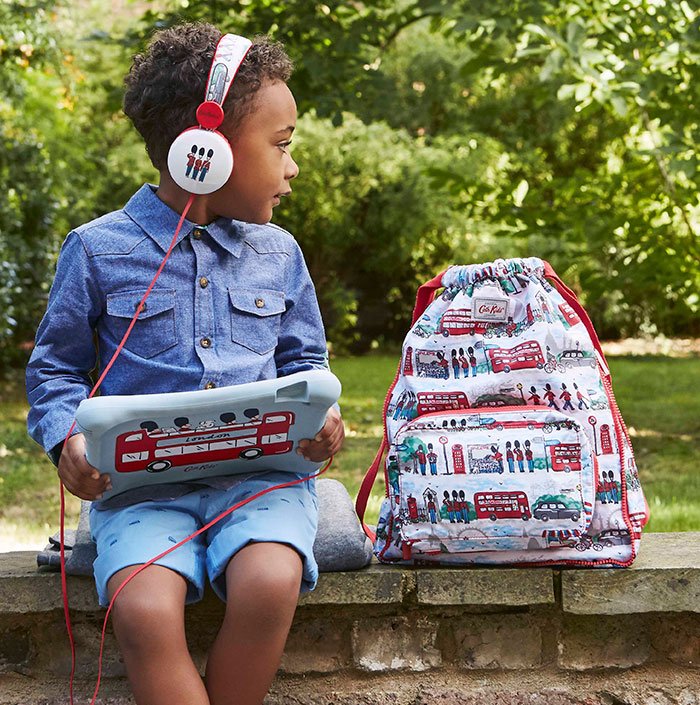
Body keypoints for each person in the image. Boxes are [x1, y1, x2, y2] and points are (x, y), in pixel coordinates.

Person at [25, 23, 344, 705]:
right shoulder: (96, 251)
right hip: (140, 492)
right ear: (206, 153)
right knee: (144, 610)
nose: (293, 167)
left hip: (259, 481)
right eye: (281, 145)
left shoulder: (279, 254)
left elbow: (305, 359)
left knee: (269, 582)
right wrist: (65, 441)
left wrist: (324, 419)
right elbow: (55, 371)